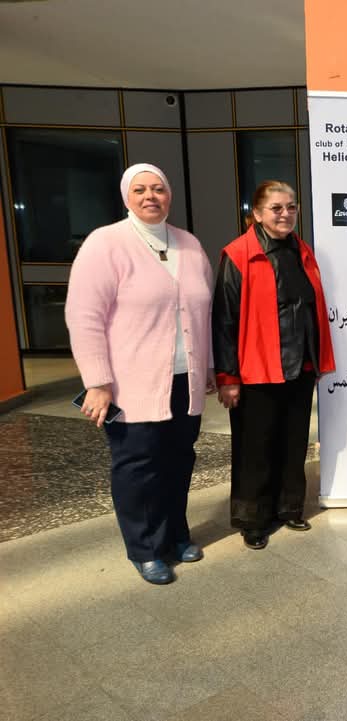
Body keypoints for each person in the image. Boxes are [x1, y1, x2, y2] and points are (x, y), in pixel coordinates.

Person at [65, 163, 214, 585]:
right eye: (140, 189)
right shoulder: (105, 244)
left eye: (158, 189)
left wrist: (207, 366)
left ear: (169, 195)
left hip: (184, 380)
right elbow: (84, 316)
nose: (151, 196)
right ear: (126, 197)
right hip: (131, 384)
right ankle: (146, 548)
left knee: (179, 460)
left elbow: (203, 313)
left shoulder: (189, 245)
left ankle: (176, 535)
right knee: (138, 465)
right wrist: (97, 382)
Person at [213, 180, 335, 550]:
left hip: (300, 367)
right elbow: (224, 320)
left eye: (291, 207)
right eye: (276, 208)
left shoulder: (302, 250)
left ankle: (289, 507)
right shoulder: (238, 255)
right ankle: (253, 520)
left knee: (294, 441)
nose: (285, 214)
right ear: (257, 213)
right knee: (256, 447)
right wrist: (227, 377)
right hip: (257, 369)